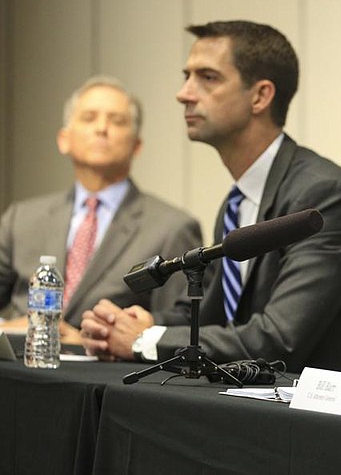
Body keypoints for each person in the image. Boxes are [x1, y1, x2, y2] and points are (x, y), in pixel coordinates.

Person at [80, 21, 341, 384]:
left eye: (207, 78)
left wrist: (145, 341)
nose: (184, 94)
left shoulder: (325, 196)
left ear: (260, 96)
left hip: (333, 426)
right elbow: (212, 315)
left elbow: (278, 338)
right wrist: (133, 326)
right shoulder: (237, 202)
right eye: (187, 77)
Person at [0, 76, 202, 340]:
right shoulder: (21, 218)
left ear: (137, 145)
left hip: (104, 372)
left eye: (117, 121)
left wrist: (103, 336)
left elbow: (181, 322)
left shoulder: (171, 227)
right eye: (89, 118)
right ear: (64, 139)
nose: (102, 128)